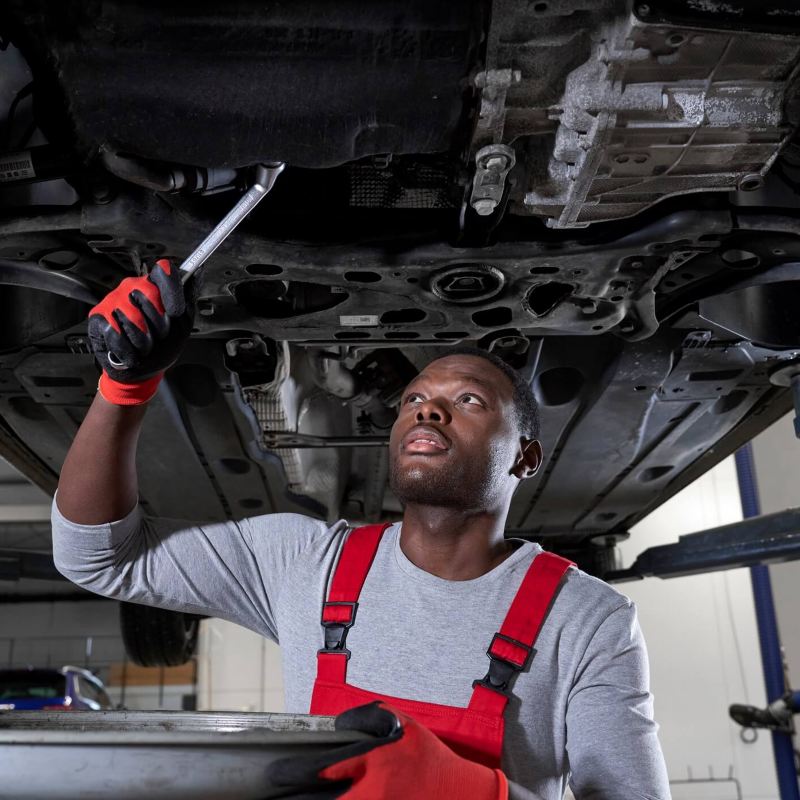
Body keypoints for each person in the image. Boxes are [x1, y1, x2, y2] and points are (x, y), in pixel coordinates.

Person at [52, 261, 671, 800]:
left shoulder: (589, 622)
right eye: (414, 399)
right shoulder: (305, 564)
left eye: (470, 401)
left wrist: (474, 794)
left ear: (525, 458)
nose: (428, 408)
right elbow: (98, 558)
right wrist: (124, 385)